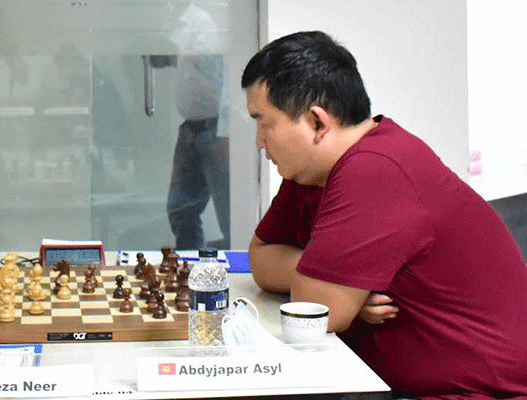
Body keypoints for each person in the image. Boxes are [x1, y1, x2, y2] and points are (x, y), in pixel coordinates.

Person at [244, 31, 527, 399]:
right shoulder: (310, 173)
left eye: (264, 123)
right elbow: (260, 258)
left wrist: (331, 284)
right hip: (385, 383)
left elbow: (317, 312)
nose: (259, 141)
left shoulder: (375, 169)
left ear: (316, 122)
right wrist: (328, 276)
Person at [167, 54, 230, 250]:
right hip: (190, 127)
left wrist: (225, 132)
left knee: (230, 215)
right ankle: (190, 263)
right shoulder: (187, 36)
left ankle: (239, 266)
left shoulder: (216, 37)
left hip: (215, 128)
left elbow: (233, 81)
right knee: (181, 210)